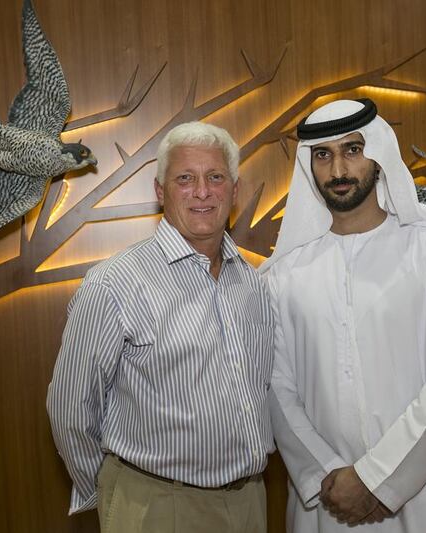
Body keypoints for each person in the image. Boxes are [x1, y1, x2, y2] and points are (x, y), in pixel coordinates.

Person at [261, 99, 426, 532]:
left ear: (380, 154)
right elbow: (278, 389)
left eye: (353, 150)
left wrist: (374, 479)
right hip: (328, 504)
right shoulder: (283, 275)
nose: (338, 170)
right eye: (323, 155)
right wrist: (328, 474)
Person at [47, 122, 274, 533]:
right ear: (160, 191)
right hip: (157, 507)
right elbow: (70, 409)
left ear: (234, 189)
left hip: (250, 503)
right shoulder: (115, 283)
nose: (202, 191)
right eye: (185, 178)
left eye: (215, 177)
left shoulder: (254, 283)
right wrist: (114, 492)